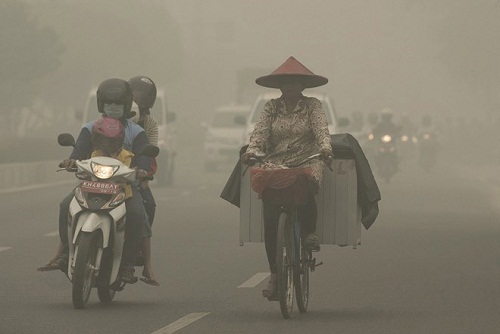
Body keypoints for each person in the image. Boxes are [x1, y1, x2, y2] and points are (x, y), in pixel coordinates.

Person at [38, 78, 153, 284]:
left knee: (136, 214)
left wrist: (142, 170)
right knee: (65, 205)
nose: (113, 108)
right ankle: (66, 252)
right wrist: (71, 161)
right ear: (101, 104)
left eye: (118, 104)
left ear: (127, 105)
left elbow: (145, 157)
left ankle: (127, 265)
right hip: (91, 184)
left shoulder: (137, 132)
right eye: (109, 103)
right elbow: (79, 151)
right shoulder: (89, 128)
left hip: (124, 188)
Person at [240, 56, 333, 299]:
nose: (290, 87)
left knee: (307, 184)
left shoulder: (313, 106)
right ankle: (275, 274)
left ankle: (310, 232)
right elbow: (259, 132)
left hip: (307, 158)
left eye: (295, 82)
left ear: (303, 86)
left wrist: (325, 148)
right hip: (276, 161)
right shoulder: (271, 107)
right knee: (271, 219)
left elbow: (322, 129)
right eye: (286, 83)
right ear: (280, 87)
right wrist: (252, 151)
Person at [128, 75, 160, 286]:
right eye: (134, 94)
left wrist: (145, 174)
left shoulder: (150, 124)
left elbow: (150, 153)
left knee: (149, 205)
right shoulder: (112, 119)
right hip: (108, 171)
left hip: (135, 174)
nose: (138, 99)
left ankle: (138, 245)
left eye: (142, 95)